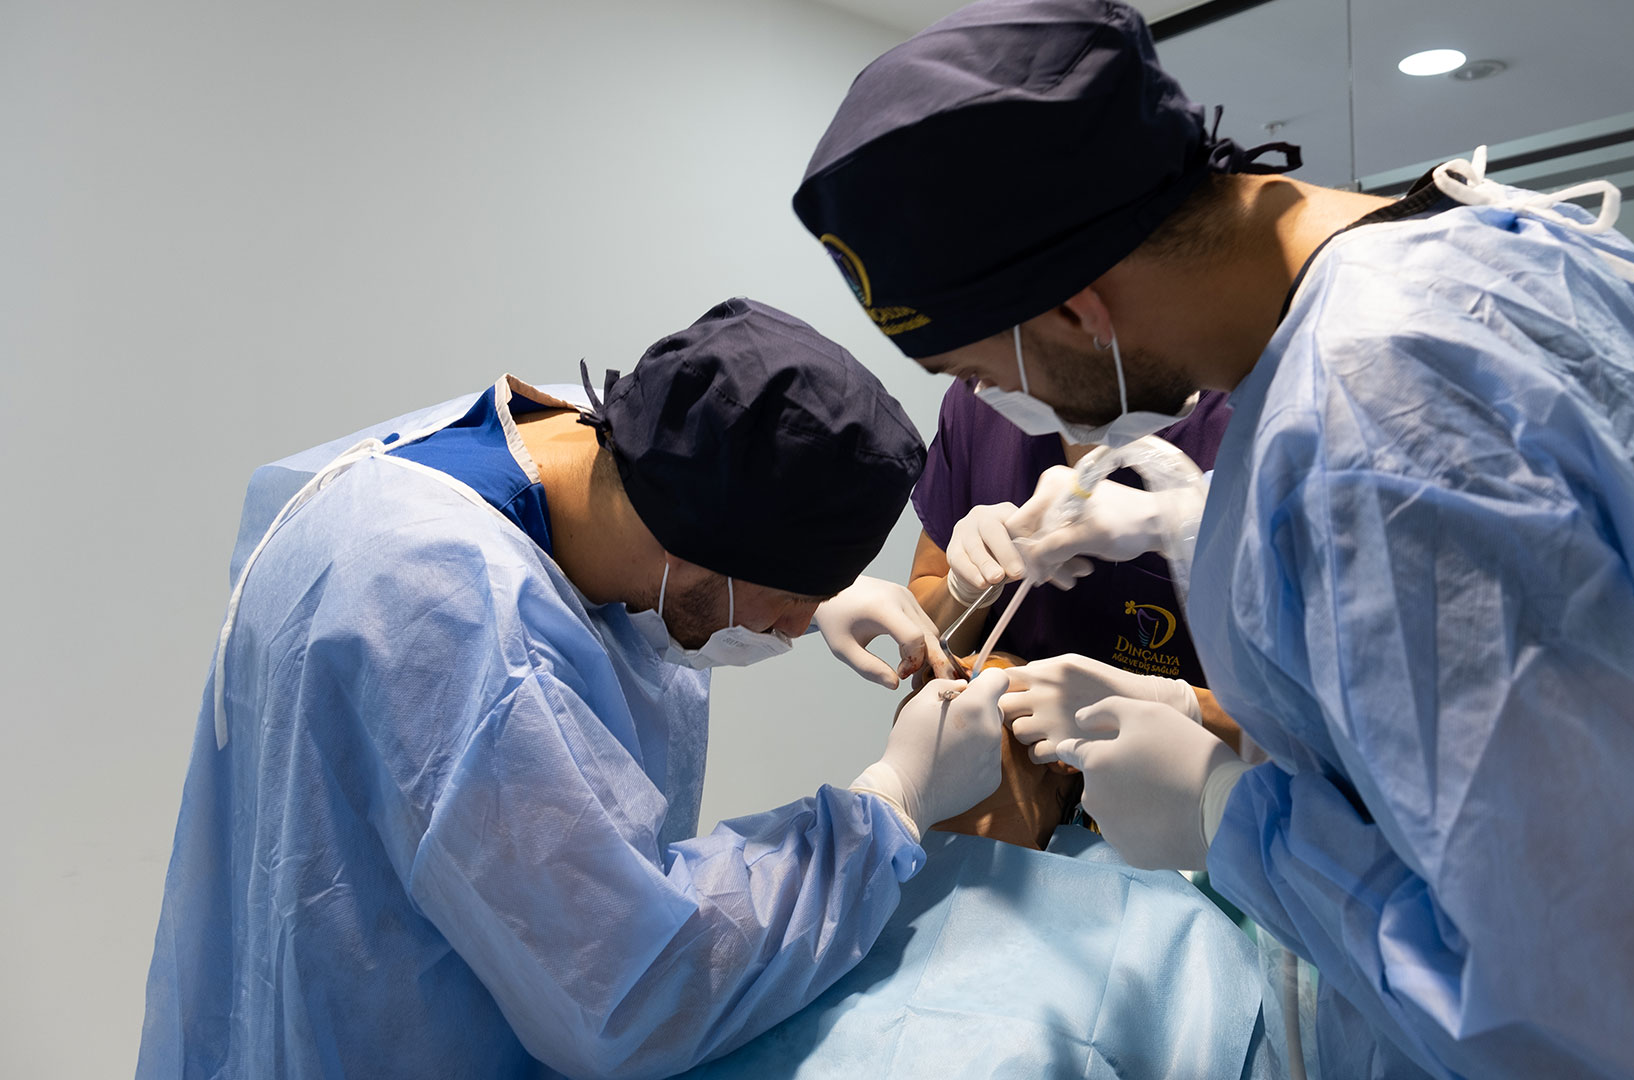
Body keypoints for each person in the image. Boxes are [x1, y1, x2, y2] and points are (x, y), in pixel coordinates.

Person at [792, 2, 1634, 1077]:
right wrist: (1200, 527)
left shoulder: (1376, 415)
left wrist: (1227, 815)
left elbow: (1592, 1010)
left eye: (980, 372)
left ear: (1078, 312)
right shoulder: (1506, 256)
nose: (997, 409)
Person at [137, 297, 1012, 1080]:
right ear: (696, 554)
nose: (792, 628)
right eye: (791, 604)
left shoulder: (579, 448)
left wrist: (804, 589)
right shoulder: (449, 615)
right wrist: (891, 803)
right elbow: (630, 993)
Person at [681, 659, 1291, 1079]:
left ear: (1060, 765)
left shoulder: (1166, 932)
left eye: (979, 675)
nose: (947, 684)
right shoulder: (821, 871)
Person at [908, 378, 1247, 755]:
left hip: (1197, 773)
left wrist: (1169, 707)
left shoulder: (1243, 422)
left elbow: (1297, 721)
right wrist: (963, 589)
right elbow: (924, 653)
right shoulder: (984, 397)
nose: (988, 380)